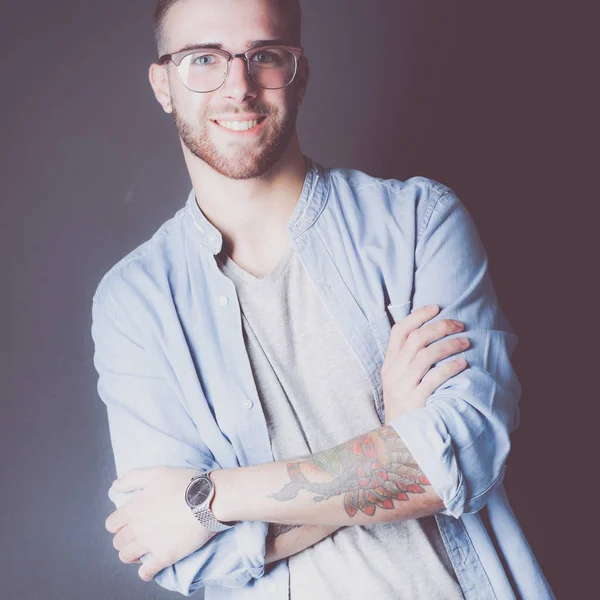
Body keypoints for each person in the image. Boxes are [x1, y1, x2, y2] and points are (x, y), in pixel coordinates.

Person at [91, 0, 556, 598]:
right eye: (203, 58)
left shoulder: (419, 223)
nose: (238, 86)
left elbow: (461, 455)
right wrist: (391, 438)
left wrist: (212, 497)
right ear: (163, 84)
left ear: (299, 74)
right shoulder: (134, 304)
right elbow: (181, 555)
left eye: (265, 56)